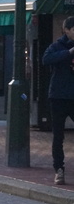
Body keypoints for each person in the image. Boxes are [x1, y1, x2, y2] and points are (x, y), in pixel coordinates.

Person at [41, 16, 74, 185]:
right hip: (59, 97)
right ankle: (59, 170)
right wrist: (68, 53)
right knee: (58, 136)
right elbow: (46, 59)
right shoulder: (56, 46)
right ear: (66, 30)